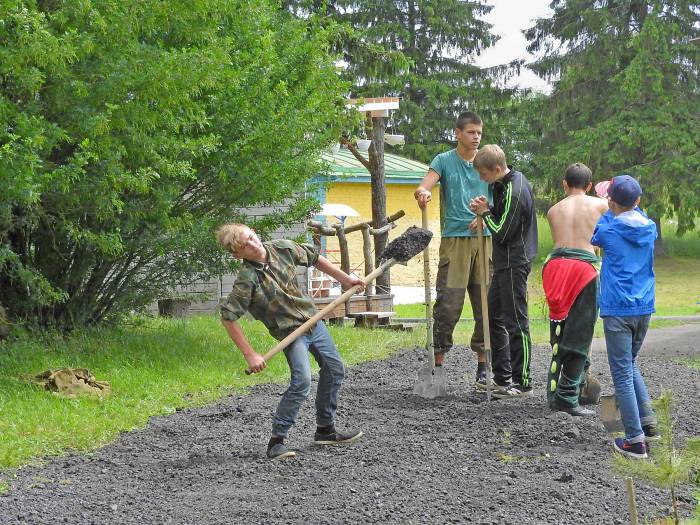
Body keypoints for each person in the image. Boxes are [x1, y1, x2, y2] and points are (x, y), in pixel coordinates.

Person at [216, 223, 365, 460]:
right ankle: (276, 441)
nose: (254, 245)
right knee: (302, 381)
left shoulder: (282, 249)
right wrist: (250, 355)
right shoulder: (247, 280)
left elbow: (314, 258)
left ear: (255, 232)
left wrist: (346, 280)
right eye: (245, 246)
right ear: (237, 254)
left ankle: (325, 430)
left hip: (313, 322)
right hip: (291, 334)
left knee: (335, 368)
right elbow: (228, 318)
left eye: (252, 237)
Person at [413, 111, 493, 385]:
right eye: (471, 132)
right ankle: (437, 363)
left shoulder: (488, 161)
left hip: (485, 240)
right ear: (457, 133)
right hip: (454, 241)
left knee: (486, 304)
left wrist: (485, 216)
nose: (476, 137)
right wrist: (423, 192)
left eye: (479, 133)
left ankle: (483, 366)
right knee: (448, 305)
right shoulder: (444, 160)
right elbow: (426, 184)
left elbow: (502, 197)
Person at [591, 175, 658, 459]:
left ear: (611, 201)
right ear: (639, 201)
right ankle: (648, 420)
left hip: (618, 309)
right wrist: (619, 203)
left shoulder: (609, 230)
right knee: (629, 364)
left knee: (621, 373)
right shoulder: (650, 228)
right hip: (644, 307)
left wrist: (608, 205)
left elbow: (596, 234)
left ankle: (635, 441)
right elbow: (633, 213)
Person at [469, 145, 538, 398]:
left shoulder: (514, 190)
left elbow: (501, 232)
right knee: (493, 316)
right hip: (502, 262)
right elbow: (500, 217)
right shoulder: (502, 184)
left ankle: (523, 382)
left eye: (484, 174)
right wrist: (487, 209)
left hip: (514, 262)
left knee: (516, 322)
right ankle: (502, 376)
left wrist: (485, 214)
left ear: (497, 169)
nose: (482, 179)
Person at [543, 163, 608, 416]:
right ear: (589, 185)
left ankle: (573, 384)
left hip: (554, 266)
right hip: (582, 267)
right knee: (580, 332)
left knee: (561, 328)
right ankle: (568, 397)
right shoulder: (600, 205)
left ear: (564, 184)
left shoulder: (553, 210)